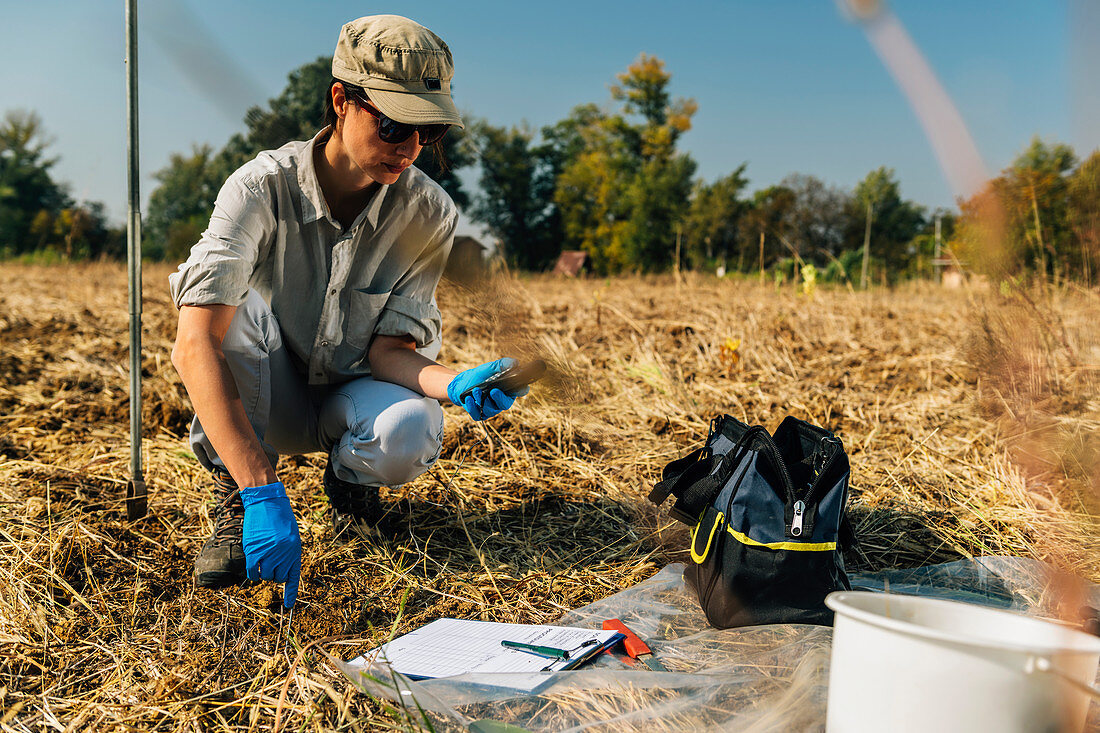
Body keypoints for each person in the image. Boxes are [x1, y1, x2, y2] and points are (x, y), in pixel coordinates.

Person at [168, 15, 527, 611]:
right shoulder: (259, 189)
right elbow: (194, 344)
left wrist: (453, 384)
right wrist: (261, 487)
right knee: (237, 310)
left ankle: (352, 482)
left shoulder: (429, 214)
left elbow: (390, 351)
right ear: (341, 100)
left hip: (347, 396)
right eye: (393, 124)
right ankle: (237, 497)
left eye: (427, 130)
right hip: (266, 394)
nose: (409, 148)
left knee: (412, 426)